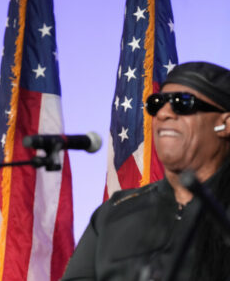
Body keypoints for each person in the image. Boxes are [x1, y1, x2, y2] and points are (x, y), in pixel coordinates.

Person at [61, 61, 230, 281]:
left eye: (183, 103)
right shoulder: (113, 213)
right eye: (156, 103)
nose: (163, 114)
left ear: (225, 124)